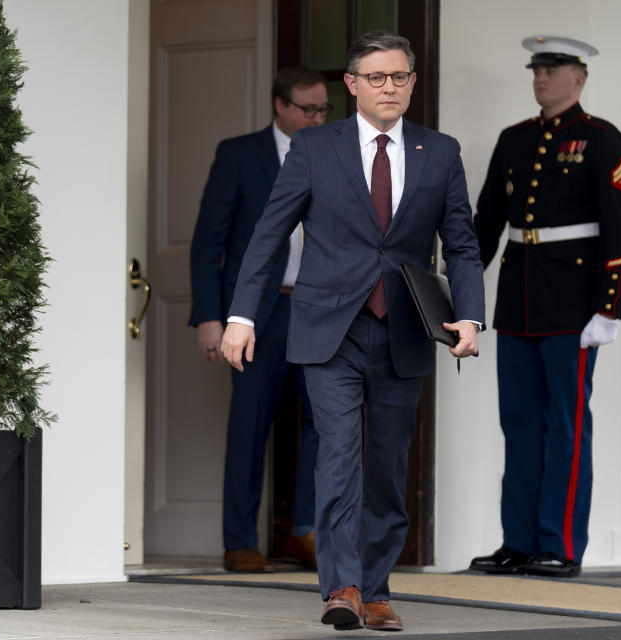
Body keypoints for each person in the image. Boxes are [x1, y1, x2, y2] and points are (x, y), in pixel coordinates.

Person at [222, 31, 484, 632]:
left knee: (388, 468)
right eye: (375, 78)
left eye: (398, 77)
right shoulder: (314, 148)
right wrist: (241, 317)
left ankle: (378, 588)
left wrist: (468, 317)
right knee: (338, 456)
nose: (387, 87)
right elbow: (268, 235)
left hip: (405, 332)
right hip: (327, 331)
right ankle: (341, 587)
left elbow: (462, 246)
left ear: (413, 84)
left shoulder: (439, 152)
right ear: (352, 85)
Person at [469, 35, 621, 579]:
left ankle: (560, 543)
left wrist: (609, 309)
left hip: (574, 305)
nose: (542, 78)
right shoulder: (514, 139)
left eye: (554, 69)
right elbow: (487, 223)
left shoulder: (602, 140)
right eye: (537, 70)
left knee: (564, 425)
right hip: (518, 301)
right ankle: (518, 541)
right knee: (518, 424)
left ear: (579, 77)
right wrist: (462, 288)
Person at [188, 66, 330, 573]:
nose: (317, 117)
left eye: (323, 109)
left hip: (319, 309)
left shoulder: (334, 151)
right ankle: (239, 541)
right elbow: (210, 241)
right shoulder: (239, 154)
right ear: (280, 106)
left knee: (323, 422)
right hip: (256, 313)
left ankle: (306, 532)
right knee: (250, 424)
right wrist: (210, 317)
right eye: (307, 109)